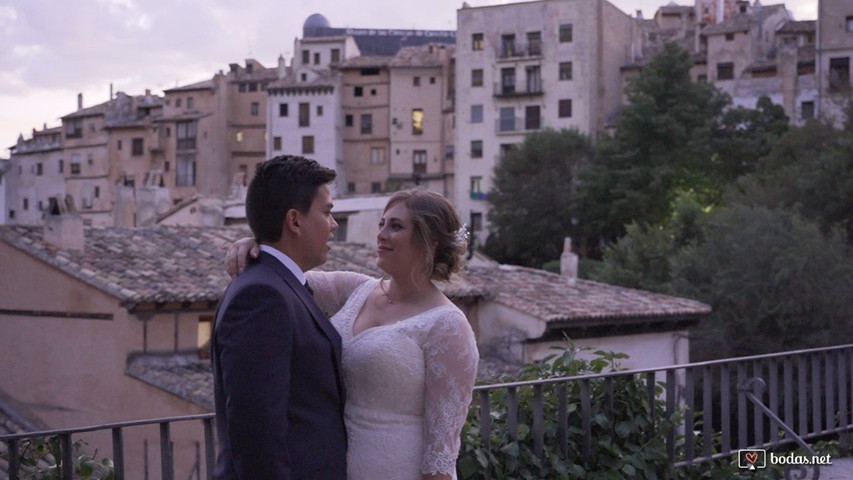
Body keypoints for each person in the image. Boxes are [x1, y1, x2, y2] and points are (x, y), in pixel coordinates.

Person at [227, 187, 479, 480]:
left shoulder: (448, 325)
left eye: (396, 226)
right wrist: (256, 247)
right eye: (382, 224)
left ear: (430, 243)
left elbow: (441, 454)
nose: (381, 234)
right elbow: (284, 278)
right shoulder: (356, 289)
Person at [212, 155, 347, 479]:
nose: (334, 224)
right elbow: (256, 430)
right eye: (327, 212)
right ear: (294, 222)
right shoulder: (262, 297)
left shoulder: (280, 285)